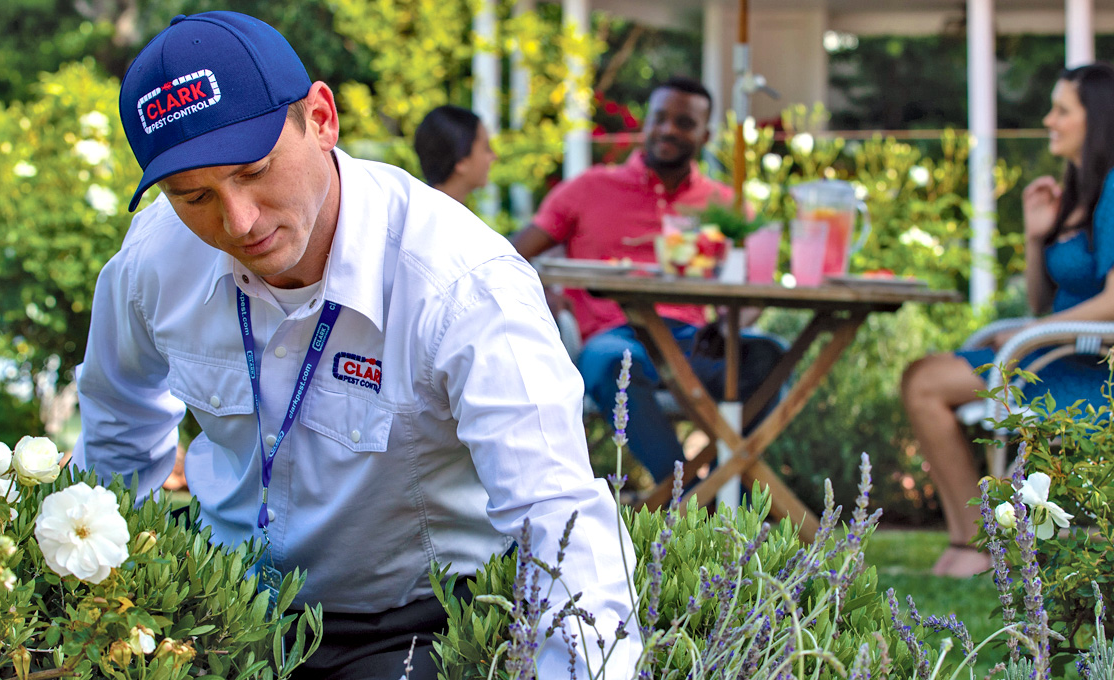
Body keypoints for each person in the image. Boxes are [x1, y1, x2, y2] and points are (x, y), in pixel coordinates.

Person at [76, 12, 638, 679]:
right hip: (219, 607)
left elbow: (554, 510)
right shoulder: (152, 259)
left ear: (320, 119)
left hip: (410, 624)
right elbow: (117, 428)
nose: (237, 221)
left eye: (254, 170)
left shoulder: (462, 285)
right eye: (191, 195)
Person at [901, 62, 1114, 578]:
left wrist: (1030, 336)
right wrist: (1037, 236)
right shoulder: (1084, 192)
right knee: (921, 379)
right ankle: (977, 540)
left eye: (1061, 110)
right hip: (1057, 355)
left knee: (924, 381)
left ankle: (977, 545)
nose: (1049, 119)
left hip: (1102, 373)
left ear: (1097, 120)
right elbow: (1041, 301)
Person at [509, 77, 786, 486]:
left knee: (770, 356)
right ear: (646, 124)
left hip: (694, 341)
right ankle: (690, 498)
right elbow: (508, 255)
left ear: (705, 135)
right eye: (660, 118)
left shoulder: (725, 204)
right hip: (613, 337)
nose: (669, 129)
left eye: (684, 122)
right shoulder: (588, 188)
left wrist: (729, 325)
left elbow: (753, 290)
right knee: (614, 365)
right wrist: (543, 294)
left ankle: (732, 497)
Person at [412, 105, 495, 205]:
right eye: (486, 148)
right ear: (461, 161)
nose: (494, 156)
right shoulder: (448, 217)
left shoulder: (416, 211)